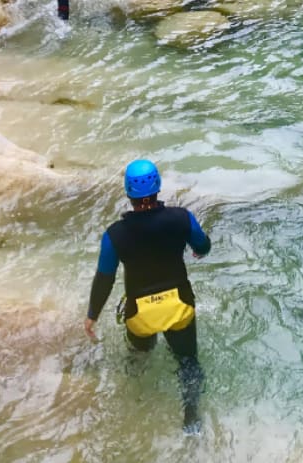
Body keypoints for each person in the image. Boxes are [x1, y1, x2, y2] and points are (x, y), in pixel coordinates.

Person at [84, 159, 212, 433]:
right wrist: (198, 251)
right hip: (179, 307)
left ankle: (134, 403)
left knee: (138, 355)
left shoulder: (114, 235)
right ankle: (191, 419)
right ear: (158, 187)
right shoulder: (182, 218)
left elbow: (105, 277)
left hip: (140, 315)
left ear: (128, 193)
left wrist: (92, 315)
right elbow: (203, 245)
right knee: (187, 362)